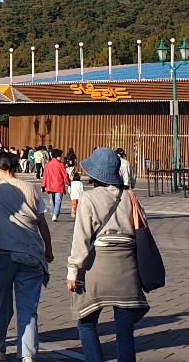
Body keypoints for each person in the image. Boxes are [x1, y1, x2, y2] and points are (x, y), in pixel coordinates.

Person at [68, 147, 149, 362]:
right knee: (125, 330)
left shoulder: (88, 198)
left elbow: (81, 238)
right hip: (127, 266)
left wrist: (73, 270)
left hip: (97, 265)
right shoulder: (130, 197)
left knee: (86, 322)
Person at [0, 150, 53, 362]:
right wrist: (48, 249)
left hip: (2, 253)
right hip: (30, 252)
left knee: (2, 304)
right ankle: (27, 354)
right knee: (28, 308)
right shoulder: (30, 188)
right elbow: (42, 223)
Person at [42, 149, 71, 222]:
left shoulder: (47, 165)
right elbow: (65, 175)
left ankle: (52, 213)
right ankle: (55, 214)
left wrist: (43, 185)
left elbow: (45, 176)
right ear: (58, 156)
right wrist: (69, 183)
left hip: (49, 185)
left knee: (52, 201)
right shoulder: (60, 164)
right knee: (58, 200)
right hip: (58, 185)